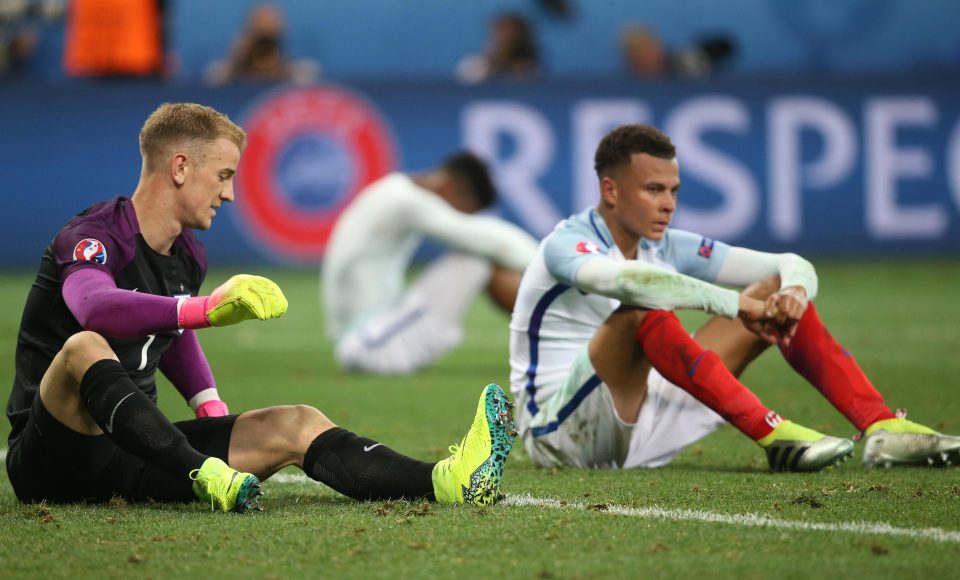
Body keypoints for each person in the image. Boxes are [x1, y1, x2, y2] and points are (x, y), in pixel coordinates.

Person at [5, 102, 517, 513]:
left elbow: (174, 336)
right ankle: (205, 475)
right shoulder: (93, 235)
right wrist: (204, 308)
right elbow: (92, 307)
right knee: (83, 347)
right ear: (180, 167)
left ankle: (447, 482)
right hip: (51, 462)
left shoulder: (187, 253)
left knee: (294, 421)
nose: (228, 194)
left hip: (138, 449)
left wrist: (211, 411)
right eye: (223, 175)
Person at [508, 123, 960, 472]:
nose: (668, 204)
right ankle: (774, 433)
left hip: (640, 419)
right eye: (653, 190)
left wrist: (795, 294)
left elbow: (787, 263)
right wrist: (735, 305)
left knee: (771, 290)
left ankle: (881, 426)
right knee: (641, 308)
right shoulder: (566, 244)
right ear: (610, 190)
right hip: (559, 432)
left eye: (673, 191)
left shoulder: (665, 244)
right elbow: (629, 283)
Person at [323, 152, 539, 376]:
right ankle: (557, 331)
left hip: (369, 339)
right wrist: (546, 264)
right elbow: (485, 240)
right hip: (366, 347)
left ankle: (553, 329)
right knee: (476, 259)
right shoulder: (404, 200)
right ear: (448, 187)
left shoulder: (392, 190)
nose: (454, 215)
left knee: (478, 255)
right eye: (462, 211)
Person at [203, 3, 319, 86]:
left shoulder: (298, 71)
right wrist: (237, 63)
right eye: (260, 36)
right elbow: (211, 83)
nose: (264, 48)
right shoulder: (225, 71)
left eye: (269, 38)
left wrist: (283, 71)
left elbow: (311, 82)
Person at [455, 12, 539, 85]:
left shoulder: (533, 71)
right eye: (501, 34)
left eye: (511, 36)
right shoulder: (472, 66)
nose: (504, 40)